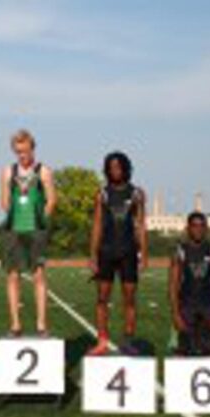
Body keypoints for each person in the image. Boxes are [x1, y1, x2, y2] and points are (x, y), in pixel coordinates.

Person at [89, 151, 148, 355]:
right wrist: (93, 255)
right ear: (107, 170)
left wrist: (144, 254)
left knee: (129, 299)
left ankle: (128, 341)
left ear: (125, 168)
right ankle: (102, 340)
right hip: (106, 252)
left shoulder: (136, 194)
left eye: (118, 167)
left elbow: (140, 225)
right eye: (111, 167)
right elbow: (96, 225)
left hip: (128, 252)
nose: (115, 170)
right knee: (102, 298)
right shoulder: (102, 194)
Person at [0, 129, 56, 336]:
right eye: (18, 152)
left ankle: (41, 324)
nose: (22, 156)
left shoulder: (43, 171)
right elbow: (4, 201)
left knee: (39, 275)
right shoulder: (8, 171)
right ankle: (15, 324)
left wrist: (42, 220)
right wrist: (13, 210)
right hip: (14, 229)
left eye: (25, 151)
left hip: (36, 230)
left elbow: (52, 200)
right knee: (13, 276)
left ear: (33, 149)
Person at [169, 212, 210, 355]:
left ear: (206, 228)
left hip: (208, 306)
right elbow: (173, 285)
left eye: (202, 226)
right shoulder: (180, 251)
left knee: (207, 351)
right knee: (183, 351)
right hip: (186, 306)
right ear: (188, 228)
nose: (198, 229)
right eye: (194, 226)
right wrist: (175, 313)